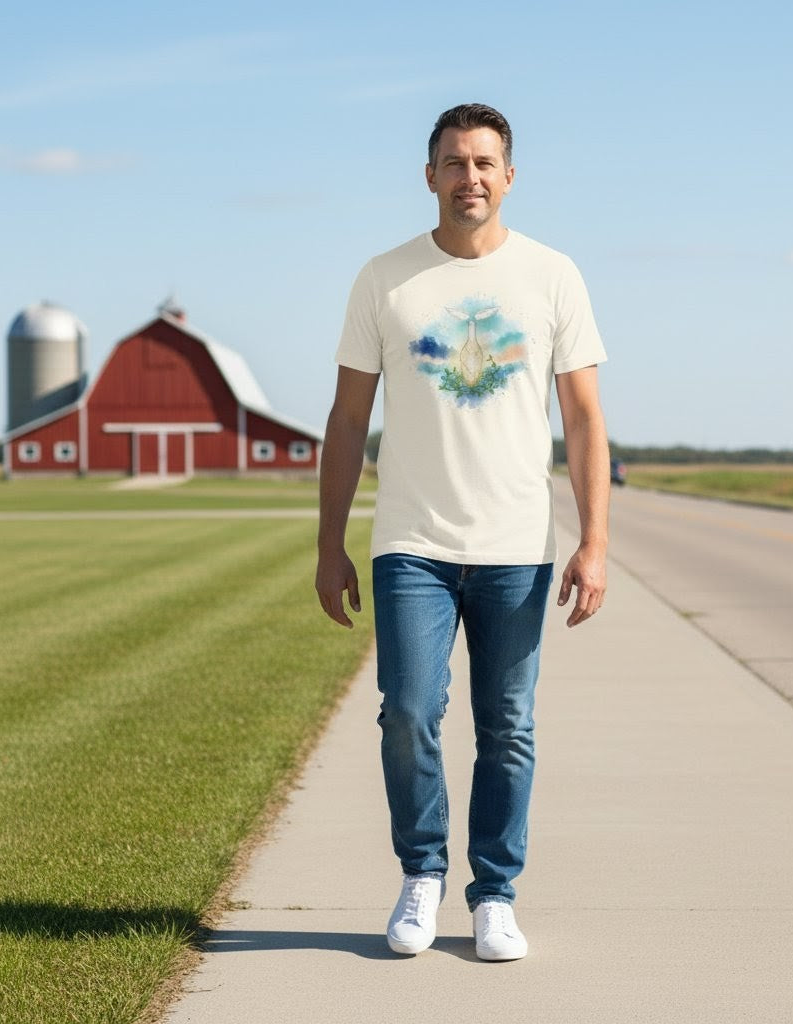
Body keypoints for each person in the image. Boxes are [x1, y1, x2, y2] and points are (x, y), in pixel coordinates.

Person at [315, 102, 609, 961]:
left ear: (508, 176)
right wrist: (329, 542)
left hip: (517, 544)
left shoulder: (553, 275)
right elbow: (345, 419)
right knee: (407, 711)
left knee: (506, 725)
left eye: (485, 163)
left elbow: (585, 417)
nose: (469, 178)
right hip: (413, 541)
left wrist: (595, 541)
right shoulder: (385, 279)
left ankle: (496, 894)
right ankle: (421, 875)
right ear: (430, 175)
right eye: (454, 162)